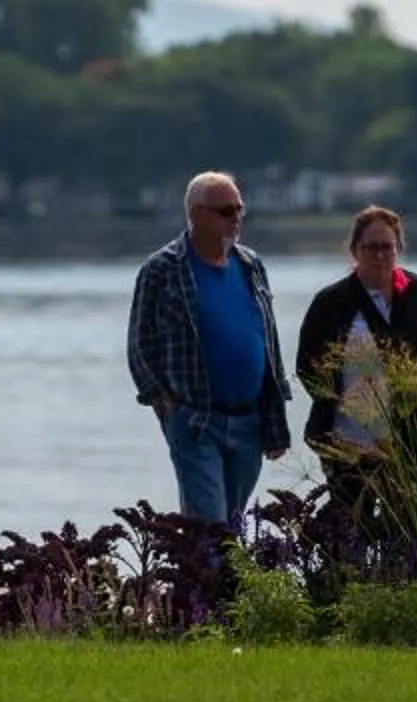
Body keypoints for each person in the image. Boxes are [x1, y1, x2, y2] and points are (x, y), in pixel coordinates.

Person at [125, 169, 292, 525]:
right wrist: (162, 400)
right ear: (197, 215)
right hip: (196, 418)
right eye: (226, 211)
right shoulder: (162, 269)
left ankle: (222, 583)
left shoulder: (251, 265)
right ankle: (206, 581)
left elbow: (269, 341)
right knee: (208, 528)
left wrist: (275, 417)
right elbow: (140, 343)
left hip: (249, 419)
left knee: (233, 524)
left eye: (239, 210)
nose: (236, 219)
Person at [293, 206, 417, 530]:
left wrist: (416, 395)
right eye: (371, 247)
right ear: (354, 251)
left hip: (410, 437)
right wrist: (338, 397)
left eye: (387, 247)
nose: (380, 256)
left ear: (398, 249)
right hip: (348, 440)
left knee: (409, 529)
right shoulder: (331, 301)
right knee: (350, 529)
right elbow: (308, 365)